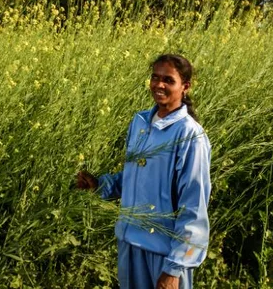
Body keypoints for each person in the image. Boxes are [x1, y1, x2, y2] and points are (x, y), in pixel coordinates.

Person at [76, 54, 212, 289]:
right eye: (155, 78)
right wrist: (100, 184)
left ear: (185, 87)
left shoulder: (190, 136)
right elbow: (133, 178)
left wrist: (174, 268)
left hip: (163, 253)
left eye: (168, 80)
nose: (159, 85)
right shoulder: (140, 122)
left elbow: (194, 206)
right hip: (130, 243)